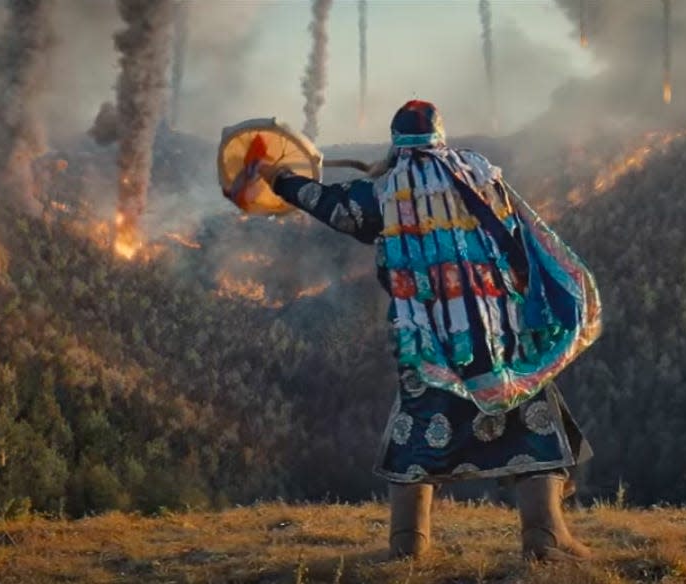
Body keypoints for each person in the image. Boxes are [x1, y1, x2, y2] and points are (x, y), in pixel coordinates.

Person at [224, 100, 602, 562]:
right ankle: (544, 536)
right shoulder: (483, 178)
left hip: (429, 343)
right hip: (502, 337)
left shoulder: (387, 193)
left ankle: (408, 545)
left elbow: (333, 207)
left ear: (397, 142)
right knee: (529, 423)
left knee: (420, 431)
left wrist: (279, 177)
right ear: (440, 138)